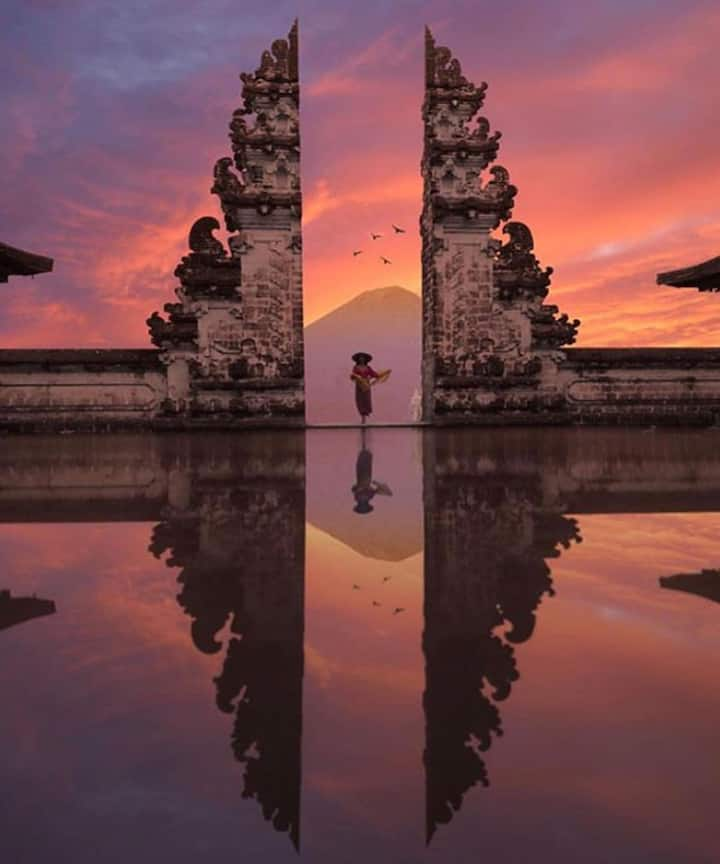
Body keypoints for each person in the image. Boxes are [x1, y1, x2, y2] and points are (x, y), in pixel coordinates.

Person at [350, 352, 390, 423]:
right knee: (360, 400)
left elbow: (375, 374)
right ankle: (362, 417)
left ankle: (364, 418)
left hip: (366, 386)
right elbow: (352, 376)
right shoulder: (356, 367)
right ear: (358, 359)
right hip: (359, 386)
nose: (361, 359)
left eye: (363, 358)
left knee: (366, 400)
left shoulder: (368, 368)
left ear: (365, 359)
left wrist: (385, 372)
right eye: (360, 358)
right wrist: (355, 376)